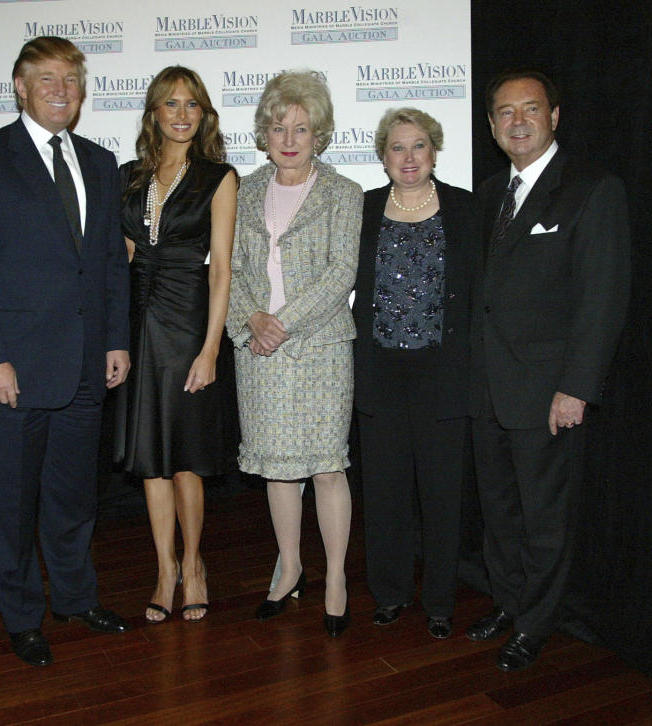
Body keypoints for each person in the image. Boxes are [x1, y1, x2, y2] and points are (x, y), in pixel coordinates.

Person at [0, 36, 131, 667]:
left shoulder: (102, 163)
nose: (61, 90)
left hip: (84, 366)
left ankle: (76, 599)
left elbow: (109, 265)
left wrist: (115, 340)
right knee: (10, 502)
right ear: (19, 88)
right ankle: (22, 616)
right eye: (46, 78)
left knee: (74, 496)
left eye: (71, 80)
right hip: (11, 372)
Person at [467, 69, 630, 671]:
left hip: (547, 394)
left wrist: (577, 388)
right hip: (486, 388)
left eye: (530, 109)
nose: (517, 121)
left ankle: (536, 623)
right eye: (505, 112)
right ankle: (509, 603)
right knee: (498, 510)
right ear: (490, 125)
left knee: (543, 517)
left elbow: (603, 299)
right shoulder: (487, 194)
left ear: (554, 116)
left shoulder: (592, 188)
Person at [226, 71, 362, 637]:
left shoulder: (344, 193)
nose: (288, 137)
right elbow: (229, 271)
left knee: (327, 466)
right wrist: (251, 321)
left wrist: (280, 322)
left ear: (319, 133)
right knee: (278, 473)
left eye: (300, 127)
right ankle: (289, 568)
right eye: (279, 126)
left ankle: (335, 578)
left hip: (320, 350)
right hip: (258, 351)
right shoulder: (242, 190)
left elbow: (341, 274)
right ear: (264, 131)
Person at [116, 66, 237, 623]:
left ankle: (194, 565)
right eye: (171, 103)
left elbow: (221, 272)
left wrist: (211, 348)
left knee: (186, 458)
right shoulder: (127, 177)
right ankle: (163, 569)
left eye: (192, 104)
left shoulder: (220, 176)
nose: (182, 114)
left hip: (189, 326)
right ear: (154, 114)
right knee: (151, 460)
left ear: (204, 113)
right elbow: (120, 263)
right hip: (140, 326)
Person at [353, 108, 480, 639]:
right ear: (383, 156)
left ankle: (441, 600)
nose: (409, 158)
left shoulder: (466, 208)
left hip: (443, 369)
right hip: (380, 367)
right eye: (397, 147)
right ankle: (390, 592)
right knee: (383, 489)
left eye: (419, 146)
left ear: (435, 151)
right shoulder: (361, 209)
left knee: (443, 491)